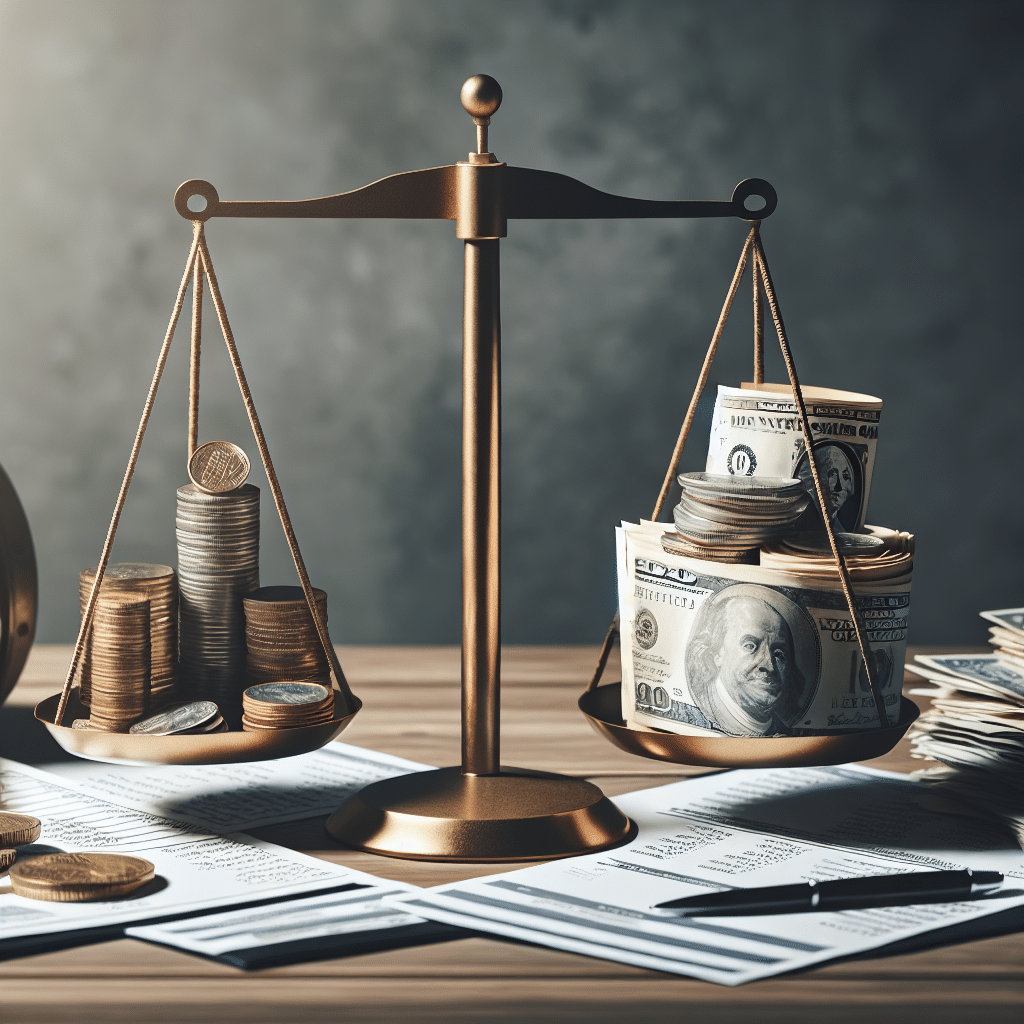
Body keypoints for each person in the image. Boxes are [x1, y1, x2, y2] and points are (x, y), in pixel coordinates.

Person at [684, 593, 808, 736]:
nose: (769, 665)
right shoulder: (697, 712)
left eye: (778, 653)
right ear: (718, 653)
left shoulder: (787, 733)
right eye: (750, 646)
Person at [798, 444, 855, 531]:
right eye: (832, 475)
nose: (839, 487)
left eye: (845, 475)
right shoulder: (803, 528)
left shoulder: (839, 529)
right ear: (812, 480)